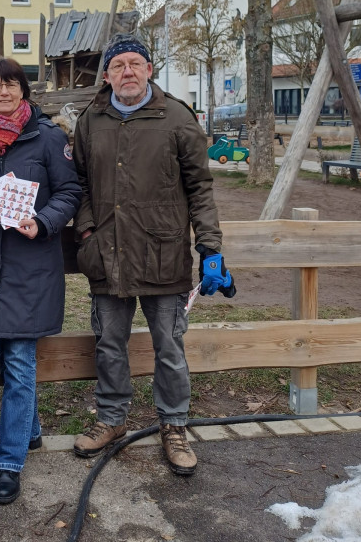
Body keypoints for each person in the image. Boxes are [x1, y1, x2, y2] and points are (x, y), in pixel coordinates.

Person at [72, 33, 235, 476]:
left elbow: (200, 187)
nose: (127, 71)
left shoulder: (177, 118)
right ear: (107, 75)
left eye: (135, 63)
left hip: (164, 254)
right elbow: (79, 182)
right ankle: (112, 418)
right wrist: (87, 229)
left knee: (169, 347)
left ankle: (174, 426)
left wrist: (210, 246)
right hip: (108, 253)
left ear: (148, 69)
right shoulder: (91, 120)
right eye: (118, 65)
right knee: (109, 344)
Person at [0, 56, 81, 504]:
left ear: (24, 90)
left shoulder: (48, 137)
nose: (4, 92)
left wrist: (44, 221)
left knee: (17, 360)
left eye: (12, 84)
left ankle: (9, 462)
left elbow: (70, 191)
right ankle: (29, 432)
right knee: (5, 352)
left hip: (31, 266)